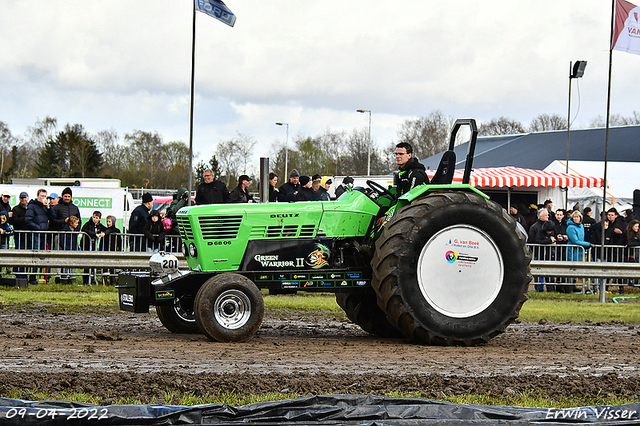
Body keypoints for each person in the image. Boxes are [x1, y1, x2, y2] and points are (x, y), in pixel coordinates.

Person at [24, 189, 56, 284]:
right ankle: (32, 278)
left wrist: (49, 208)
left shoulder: (45, 207)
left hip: (44, 234)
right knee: (35, 256)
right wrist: (38, 228)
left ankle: (41, 277)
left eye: (45, 196)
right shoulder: (32, 206)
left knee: (42, 256)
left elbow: (53, 217)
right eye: (42, 196)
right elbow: (28, 220)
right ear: (37, 196)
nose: (43, 198)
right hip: (36, 234)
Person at [81, 211, 107, 284]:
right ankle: (86, 280)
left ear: (99, 219)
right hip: (86, 245)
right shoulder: (88, 224)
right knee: (86, 263)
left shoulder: (99, 225)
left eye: (96, 218)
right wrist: (94, 234)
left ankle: (93, 278)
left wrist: (104, 233)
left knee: (93, 262)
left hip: (94, 246)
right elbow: (84, 230)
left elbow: (106, 229)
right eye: (94, 217)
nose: (94, 219)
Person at [9, 192, 29, 282]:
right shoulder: (16, 209)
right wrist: (25, 219)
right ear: (19, 199)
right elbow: (12, 221)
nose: (23, 199)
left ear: (27, 198)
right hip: (19, 236)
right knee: (19, 255)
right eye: (22, 198)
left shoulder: (30, 208)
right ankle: (18, 274)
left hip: (29, 236)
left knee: (27, 256)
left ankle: (25, 274)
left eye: (25, 198)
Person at [100, 215, 123, 285]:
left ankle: (112, 281)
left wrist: (119, 250)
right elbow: (101, 242)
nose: (108, 223)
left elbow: (119, 241)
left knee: (112, 267)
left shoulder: (116, 230)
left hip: (113, 250)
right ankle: (104, 281)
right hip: (106, 250)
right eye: (107, 221)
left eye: (109, 221)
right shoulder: (105, 231)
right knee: (105, 267)